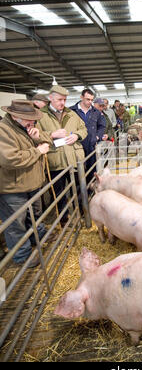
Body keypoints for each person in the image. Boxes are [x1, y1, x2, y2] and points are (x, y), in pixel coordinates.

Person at [0, 99, 51, 267]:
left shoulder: (26, 126)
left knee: (35, 215)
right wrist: (36, 151)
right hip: (13, 188)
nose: (33, 121)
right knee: (16, 223)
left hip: (33, 182)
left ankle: (39, 236)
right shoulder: (3, 130)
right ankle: (22, 255)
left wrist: (38, 137)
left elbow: (48, 143)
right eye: (29, 118)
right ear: (15, 116)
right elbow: (10, 159)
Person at [38, 85, 87, 225]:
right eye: (59, 99)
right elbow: (35, 135)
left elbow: (83, 128)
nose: (62, 103)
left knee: (78, 188)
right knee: (58, 193)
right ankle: (64, 221)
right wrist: (51, 135)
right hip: (55, 161)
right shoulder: (41, 116)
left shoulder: (71, 113)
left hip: (74, 158)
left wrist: (77, 136)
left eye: (64, 100)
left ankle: (83, 214)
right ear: (50, 98)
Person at [70, 89, 107, 183]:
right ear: (81, 97)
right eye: (87, 99)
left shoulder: (96, 112)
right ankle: (79, 193)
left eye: (91, 100)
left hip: (91, 145)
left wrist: (98, 136)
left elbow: (102, 126)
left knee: (92, 170)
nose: (90, 102)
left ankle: (91, 190)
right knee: (77, 171)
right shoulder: (71, 111)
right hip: (76, 146)